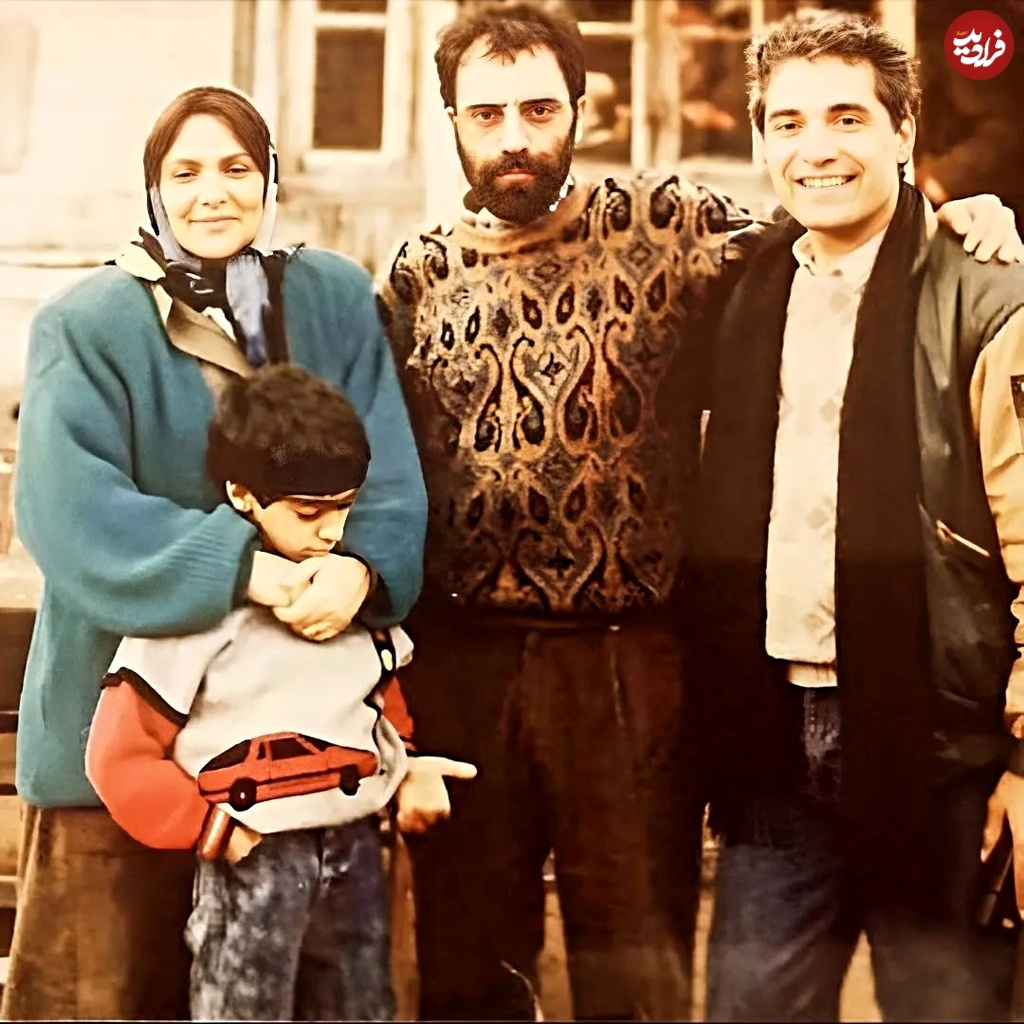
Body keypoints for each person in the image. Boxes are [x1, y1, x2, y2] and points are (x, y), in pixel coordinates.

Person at [375, 2, 1023, 1019]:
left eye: (539, 109)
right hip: (527, 676)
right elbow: (376, 472)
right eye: (486, 114)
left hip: (690, 677)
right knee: (485, 977)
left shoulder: (675, 227)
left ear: (579, 110)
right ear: (450, 120)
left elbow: (842, 228)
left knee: (656, 981)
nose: (514, 138)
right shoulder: (419, 275)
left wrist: (962, 218)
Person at [2, 86, 426, 1022]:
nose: (212, 193)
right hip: (120, 748)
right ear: (153, 189)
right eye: (185, 172)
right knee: (109, 993)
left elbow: (391, 473)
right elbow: (69, 512)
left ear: (269, 179)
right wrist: (247, 568)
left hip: (296, 771)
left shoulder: (332, 298)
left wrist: (357, 568)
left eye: (236, 168)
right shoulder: (86, 323)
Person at [688, 11, 1024, 1020]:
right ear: (761, 142)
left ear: (904, 130)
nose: (816, 148)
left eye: (846, 117)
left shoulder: (986, 296)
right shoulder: (743, 285)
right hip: (774, 747)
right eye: (787, 123)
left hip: (944, 755)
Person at [83, 363, 473, 1021]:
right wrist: (212, 829)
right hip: (255, 854)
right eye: (308, 513)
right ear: (242, 495)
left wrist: (403, 769)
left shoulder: (352, 597)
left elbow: (380, 700)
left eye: (345, 508)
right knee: (244, 1005)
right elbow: (117, 755)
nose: (331, 532)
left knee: (359, 1005)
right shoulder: (192, 617)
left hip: (354, 846)